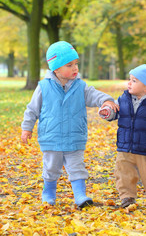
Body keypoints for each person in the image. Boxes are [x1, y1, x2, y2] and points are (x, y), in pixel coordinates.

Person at [21, 41, 118, 208]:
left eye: (76, 64)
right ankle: (49, 193)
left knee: (77, 167)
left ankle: (80, 195)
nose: (75, 68)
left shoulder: (80, 86)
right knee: (51, 168)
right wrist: (26, 127)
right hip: (51, 137)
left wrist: (107, 100)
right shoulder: (43, 87)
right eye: (69, 65)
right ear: (56, 69)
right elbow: (32, 109)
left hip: (74, 136)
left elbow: (94, 95)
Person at [99, 64, 146, 210]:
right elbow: (116, 112)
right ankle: (127, 196)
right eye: (129, 79)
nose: (129, 83)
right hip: (125, 145)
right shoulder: (124, 99)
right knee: (123, 172)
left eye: (134, 81)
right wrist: (108, 112)